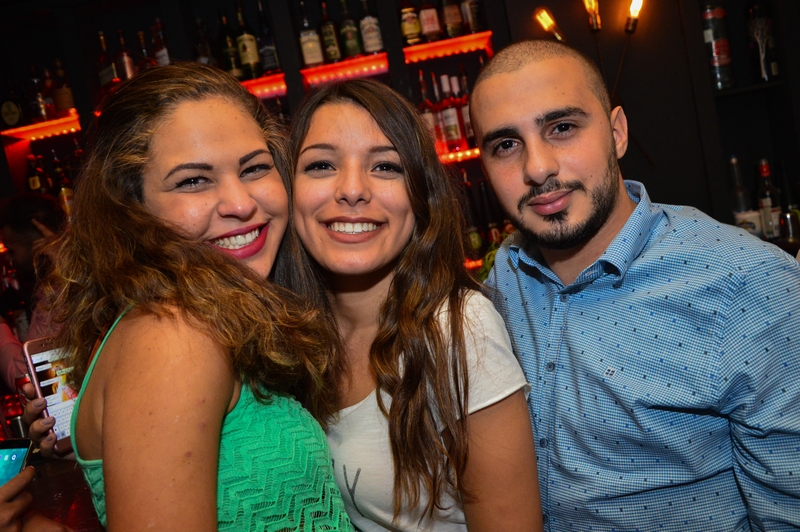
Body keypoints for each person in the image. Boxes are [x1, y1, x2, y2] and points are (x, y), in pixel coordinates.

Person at [469, 39, 800, 530]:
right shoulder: (502, 282)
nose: (537, 168)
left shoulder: (746, 285)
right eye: (506, 145)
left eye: (562, 128)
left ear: (617, 132)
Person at [27, 63, 352, 530]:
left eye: (254, 168)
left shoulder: (214, 319)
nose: (241, 203)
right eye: (193, 180)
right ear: (130, 206)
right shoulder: (175, 336)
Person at [286, 79, 542, 531]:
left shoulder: (458, 329)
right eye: (322, 165)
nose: (352, 189)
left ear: (420, 195)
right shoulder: (291, 337)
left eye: (385, 166)